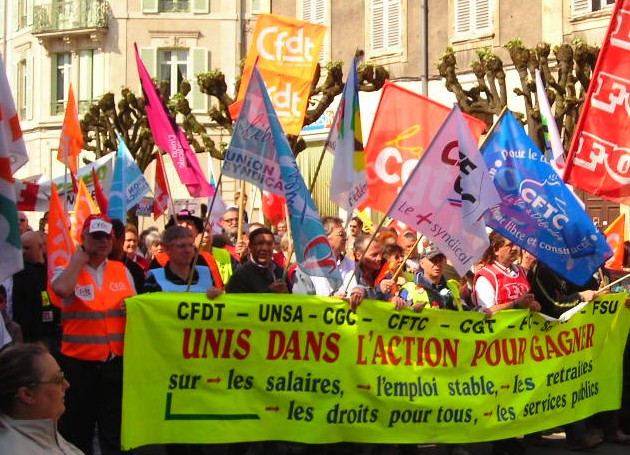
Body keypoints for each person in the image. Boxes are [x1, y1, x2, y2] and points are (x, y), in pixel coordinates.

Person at [51, 214, 136, 455]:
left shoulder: (121, 270)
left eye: (107, 237)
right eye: (97, 236)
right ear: (84, 238)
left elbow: (137, 307)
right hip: (79, 365)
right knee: (78, 429)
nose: (104, 242)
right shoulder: (65, 268)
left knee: (113, 429)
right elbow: (61, 289)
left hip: (114, 363)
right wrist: (78, 259)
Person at [0, 343, 84, 454]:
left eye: (62, 375)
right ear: (27, 395)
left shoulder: (40, 430)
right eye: (57, 379)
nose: (66, 385)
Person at [11, 230, 60, 354]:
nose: (23, 251)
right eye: (21, 248)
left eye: (27, 248)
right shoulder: (18, 272)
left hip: (52, 334)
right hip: (30, 337)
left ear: (41, 246)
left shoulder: (52, 269)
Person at [144, 226, 222, 299]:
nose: (188, 250)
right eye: (181, 246)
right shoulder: (155, 277)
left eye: (190, 245)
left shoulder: (206, 273)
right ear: (167, 249)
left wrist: (217, 295)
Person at [473, 232, 541, 314]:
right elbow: (485, 312)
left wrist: (534, 305)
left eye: (516, 244)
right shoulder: (486, 277)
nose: (515, 248)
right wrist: (515, 304)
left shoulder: (521, 271)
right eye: (510, 245)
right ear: (496, 250)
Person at [292, 216, 355, 297]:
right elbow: (303, 305)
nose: (345, 238)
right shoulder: (305, 270)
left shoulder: (352, 265)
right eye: (341, 234)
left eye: (345, 234)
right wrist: (331, 301)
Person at [398, 245, 464, 312]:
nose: (438, 264)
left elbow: (464, 312)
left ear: (445, 262)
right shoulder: (409, 289)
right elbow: (400, 314)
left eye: (440, 260)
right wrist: (412, 310)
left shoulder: (453, 287)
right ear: (421, 263)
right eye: (433, 260)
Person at [225, 227, 289, 294]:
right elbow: (237, 302)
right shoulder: (240, 276)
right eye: (260, 243)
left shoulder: (281, 272)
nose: (265, 248)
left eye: (269, 244)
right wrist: (269, 291)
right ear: (250, 246)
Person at [110, 219, 146, 293]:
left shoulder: (137, 270)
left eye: (134, 240)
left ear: (121, 239)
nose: (132, 244)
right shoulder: (99, 265)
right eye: (129, 240)